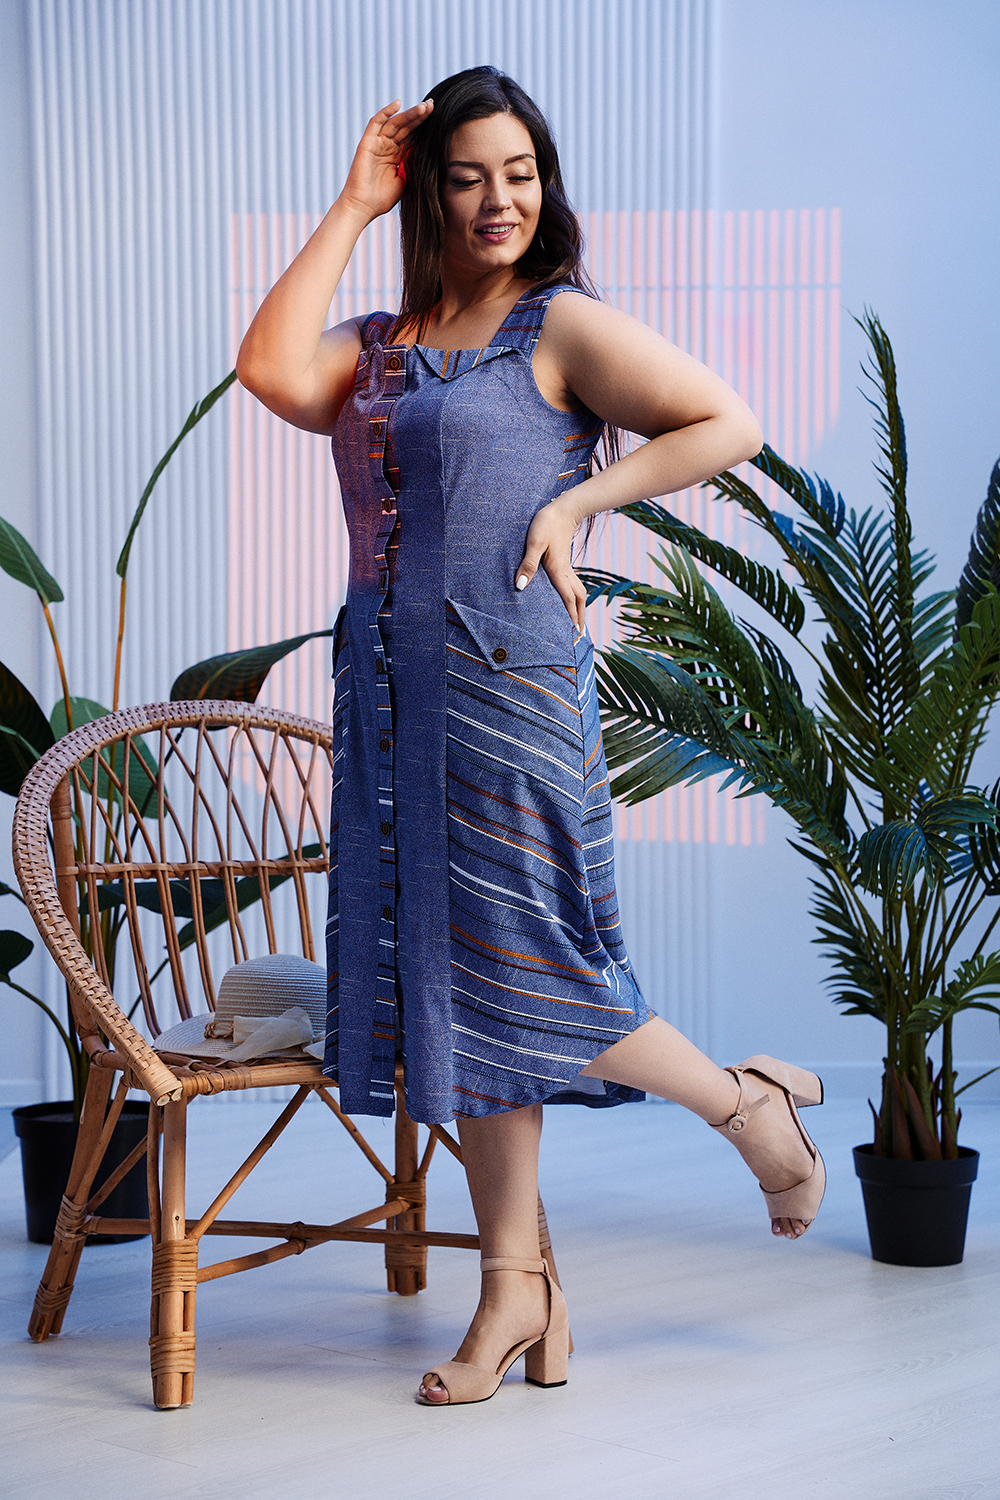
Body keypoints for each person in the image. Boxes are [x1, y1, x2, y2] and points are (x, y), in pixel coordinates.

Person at [237, 65, 825, 1408]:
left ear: (544, 186)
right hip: (388, 696)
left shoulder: (558, 326)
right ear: (430, 194)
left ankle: (748, 1108)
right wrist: (351, 202)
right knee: (454, 988)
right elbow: (269, 369)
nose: (499, 200)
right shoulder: (381, 343)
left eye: (520, 174)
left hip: (509, 686)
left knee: (530, 960)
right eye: (468, 177)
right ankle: (516, 1288)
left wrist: (577, 505)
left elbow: (727, 421)